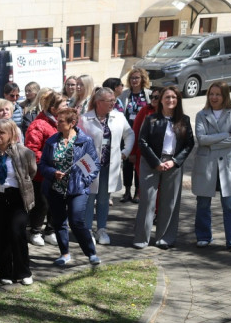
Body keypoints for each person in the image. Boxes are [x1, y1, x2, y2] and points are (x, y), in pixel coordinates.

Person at [38, 106, 101, 266]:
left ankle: (90, 252)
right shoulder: (52, 141)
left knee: (76, 221)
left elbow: (94, 165)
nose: (57, 124)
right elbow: (43, 163)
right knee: (59, 222)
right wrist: (52, 172)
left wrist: (84, 181)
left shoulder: (84, 141)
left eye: (60, 121)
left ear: (72, 123)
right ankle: (64, 254)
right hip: (56, 188)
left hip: (77, 188)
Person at [134, 85, 194, 249]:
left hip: (173, 163)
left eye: (174, 97)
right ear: (161, 100)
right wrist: (156, 162)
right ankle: (141, 238)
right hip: (151, 162)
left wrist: (174, 161)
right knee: (147, 200)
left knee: (170, 202)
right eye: (167, 97)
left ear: (178, 100)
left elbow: (189, 144)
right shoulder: (151, 119)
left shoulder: (184, 120)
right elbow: (142, 142)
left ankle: (165, 238)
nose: (170, 100)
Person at [0, 119, 37, 285]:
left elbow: (31, 172)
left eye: (2, 133)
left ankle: (23, 271)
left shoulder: (24, 152)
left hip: (17, 198)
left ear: (11, 134)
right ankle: (5, 271)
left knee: (17, 232)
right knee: (0, 236)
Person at [192, 81, 231, 253]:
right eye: (211, 94)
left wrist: (212, 141)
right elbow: (201, 139)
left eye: (218, 94)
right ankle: (203, 237)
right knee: (203, 203)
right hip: (206, 164)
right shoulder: (202, 114)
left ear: (225, 96)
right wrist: (223, 136)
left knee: (230, 204)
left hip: (226, 166)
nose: (214, 97)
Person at [80, 87, 134, 246]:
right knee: (89, 199)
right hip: (90, 167)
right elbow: (77, 142)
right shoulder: (84, 119)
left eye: (114, 100)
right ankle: (88, 230)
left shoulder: (118, 116)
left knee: (104, 199)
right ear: (98, 102)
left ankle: (102, 229)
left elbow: (129, 134)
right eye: (110, 101)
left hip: (109, 166)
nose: (113, 103)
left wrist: (125, 151)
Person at [24, 91, 65, 247]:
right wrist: (51, 162)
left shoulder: (61, 122)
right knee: (42, 204)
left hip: (59, 173)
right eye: (63, 106)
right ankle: (35, 231)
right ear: (53, 109)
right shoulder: (39, 124)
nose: (66, 108)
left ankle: (50, 230)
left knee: (56, 203)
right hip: (43, 174)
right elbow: (32, 149)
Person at [118, 67, 152, 203]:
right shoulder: (125, 94)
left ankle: (138, 191)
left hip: (142, 133)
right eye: (132, 78)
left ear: (142, 79)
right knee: (126, 163)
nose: (134, 81)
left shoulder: (148, 94)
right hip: (126, 132)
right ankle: (127, 191)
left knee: (139, 162)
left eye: (137, 78)